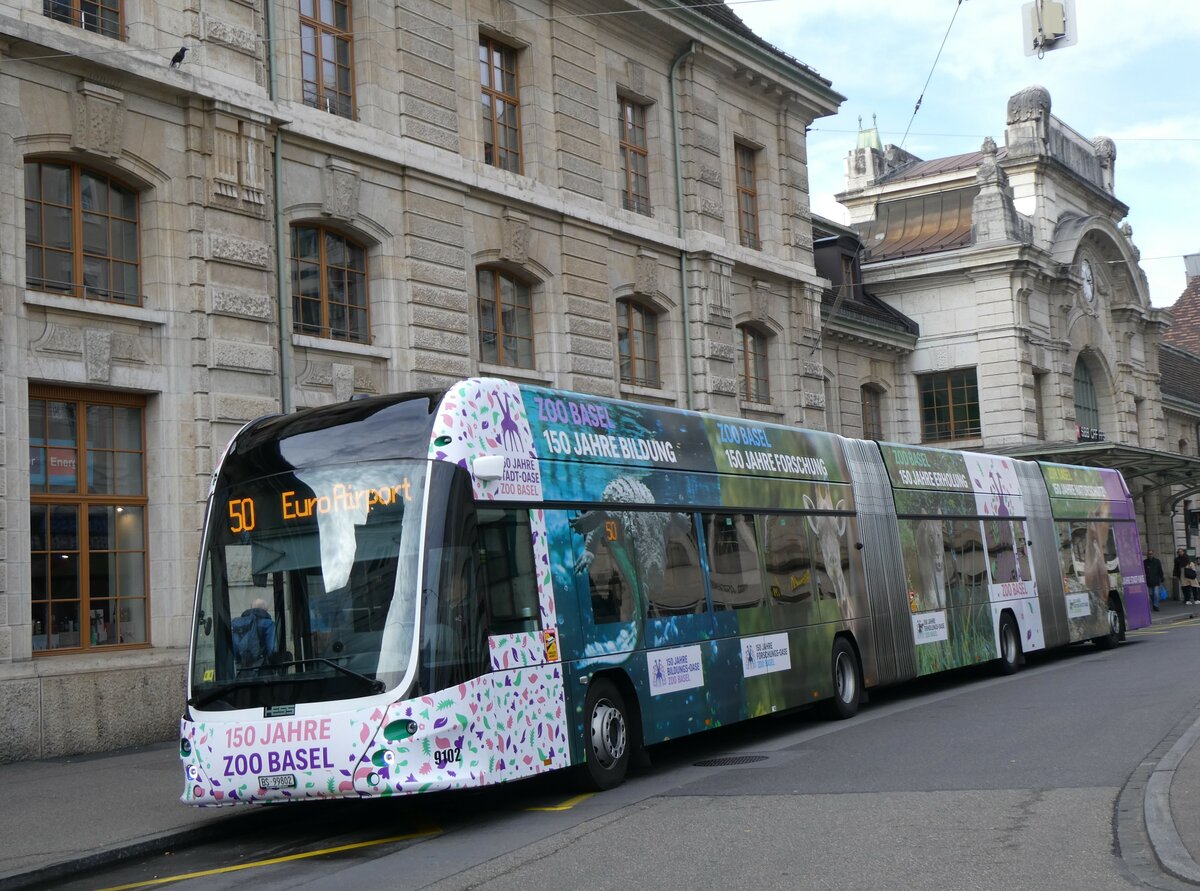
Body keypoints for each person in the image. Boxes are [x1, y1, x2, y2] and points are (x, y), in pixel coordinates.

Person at [232, 597, 276, 669]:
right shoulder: (269, 624)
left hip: (242, 669)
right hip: (262, 669)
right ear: (265, 610)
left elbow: (234, 649)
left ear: (251, 608)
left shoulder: (239, 624)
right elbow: (271, 650)